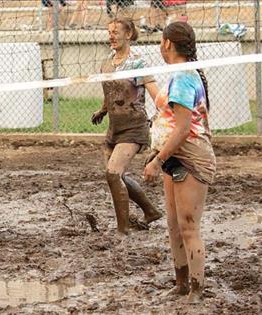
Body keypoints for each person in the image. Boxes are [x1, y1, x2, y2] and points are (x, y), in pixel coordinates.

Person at [144, 21, 216, 303]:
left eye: (161, 42)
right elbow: (169, 120)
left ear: (167, 44)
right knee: (174, 225)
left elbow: (184, 128)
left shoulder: (185, 76)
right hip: (173, 156)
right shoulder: (176, 74)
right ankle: (181, 283)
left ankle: (196, 291)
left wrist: (156, 160)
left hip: (191, 158)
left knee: (188, 226)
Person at [91, 18, 162, 235]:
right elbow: (111, 93)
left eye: (115, 32)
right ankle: (150, 211)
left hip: (135, 127)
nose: (111, 36)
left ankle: (123, 230)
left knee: (113, 174)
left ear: (128, 34)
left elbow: (155, 93)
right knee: (115, 176)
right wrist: (102, 111)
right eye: (109, 31)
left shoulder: (138, 63)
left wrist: (163, 112)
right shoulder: (106, 63)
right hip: (114, 129)